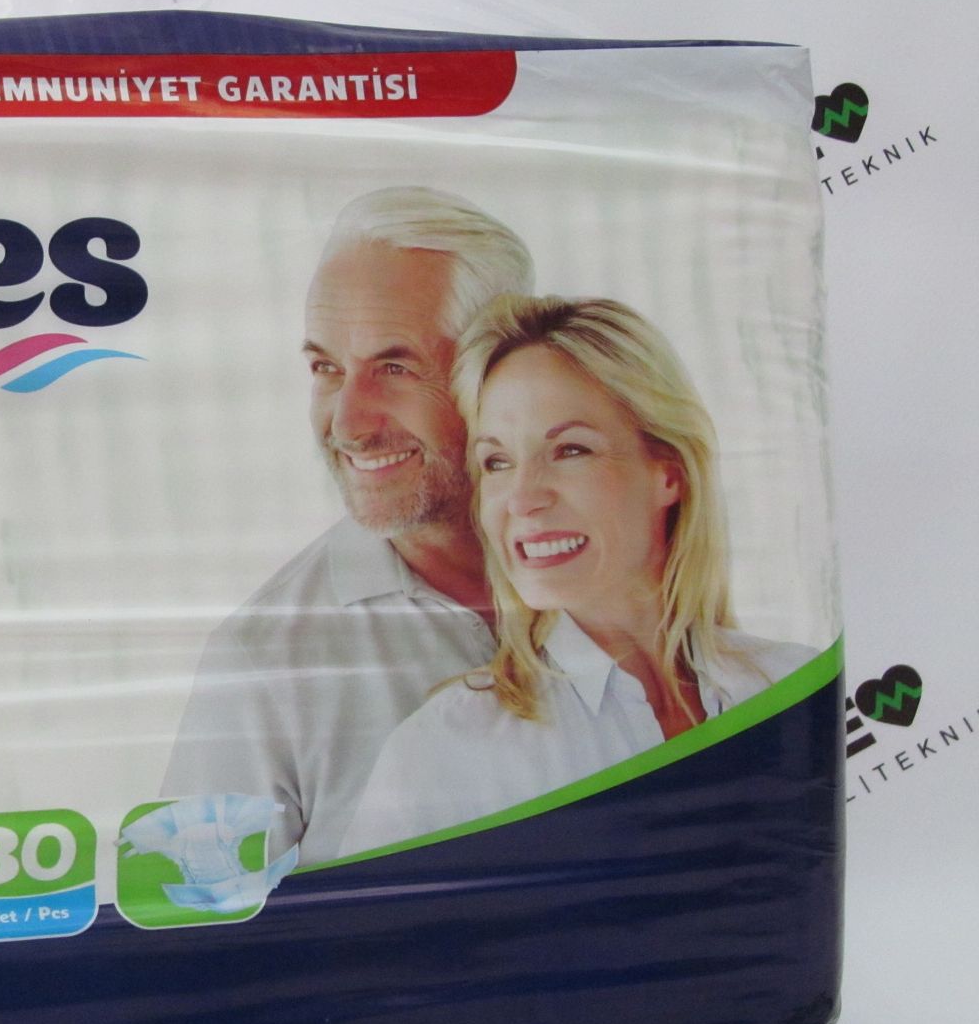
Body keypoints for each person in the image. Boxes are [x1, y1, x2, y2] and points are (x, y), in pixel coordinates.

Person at [338, 295, 813, 855]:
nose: (523, 498)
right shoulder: (442, 755)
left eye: (569, 450)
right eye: (496, 462)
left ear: (669, 473)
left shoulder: (798, 690)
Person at [162, 187, 534, 867]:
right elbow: (197, 918)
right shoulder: (268, 658)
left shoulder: (626, 580)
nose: (348, 424)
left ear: (501, 372)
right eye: (326, 369)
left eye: (395, 367)